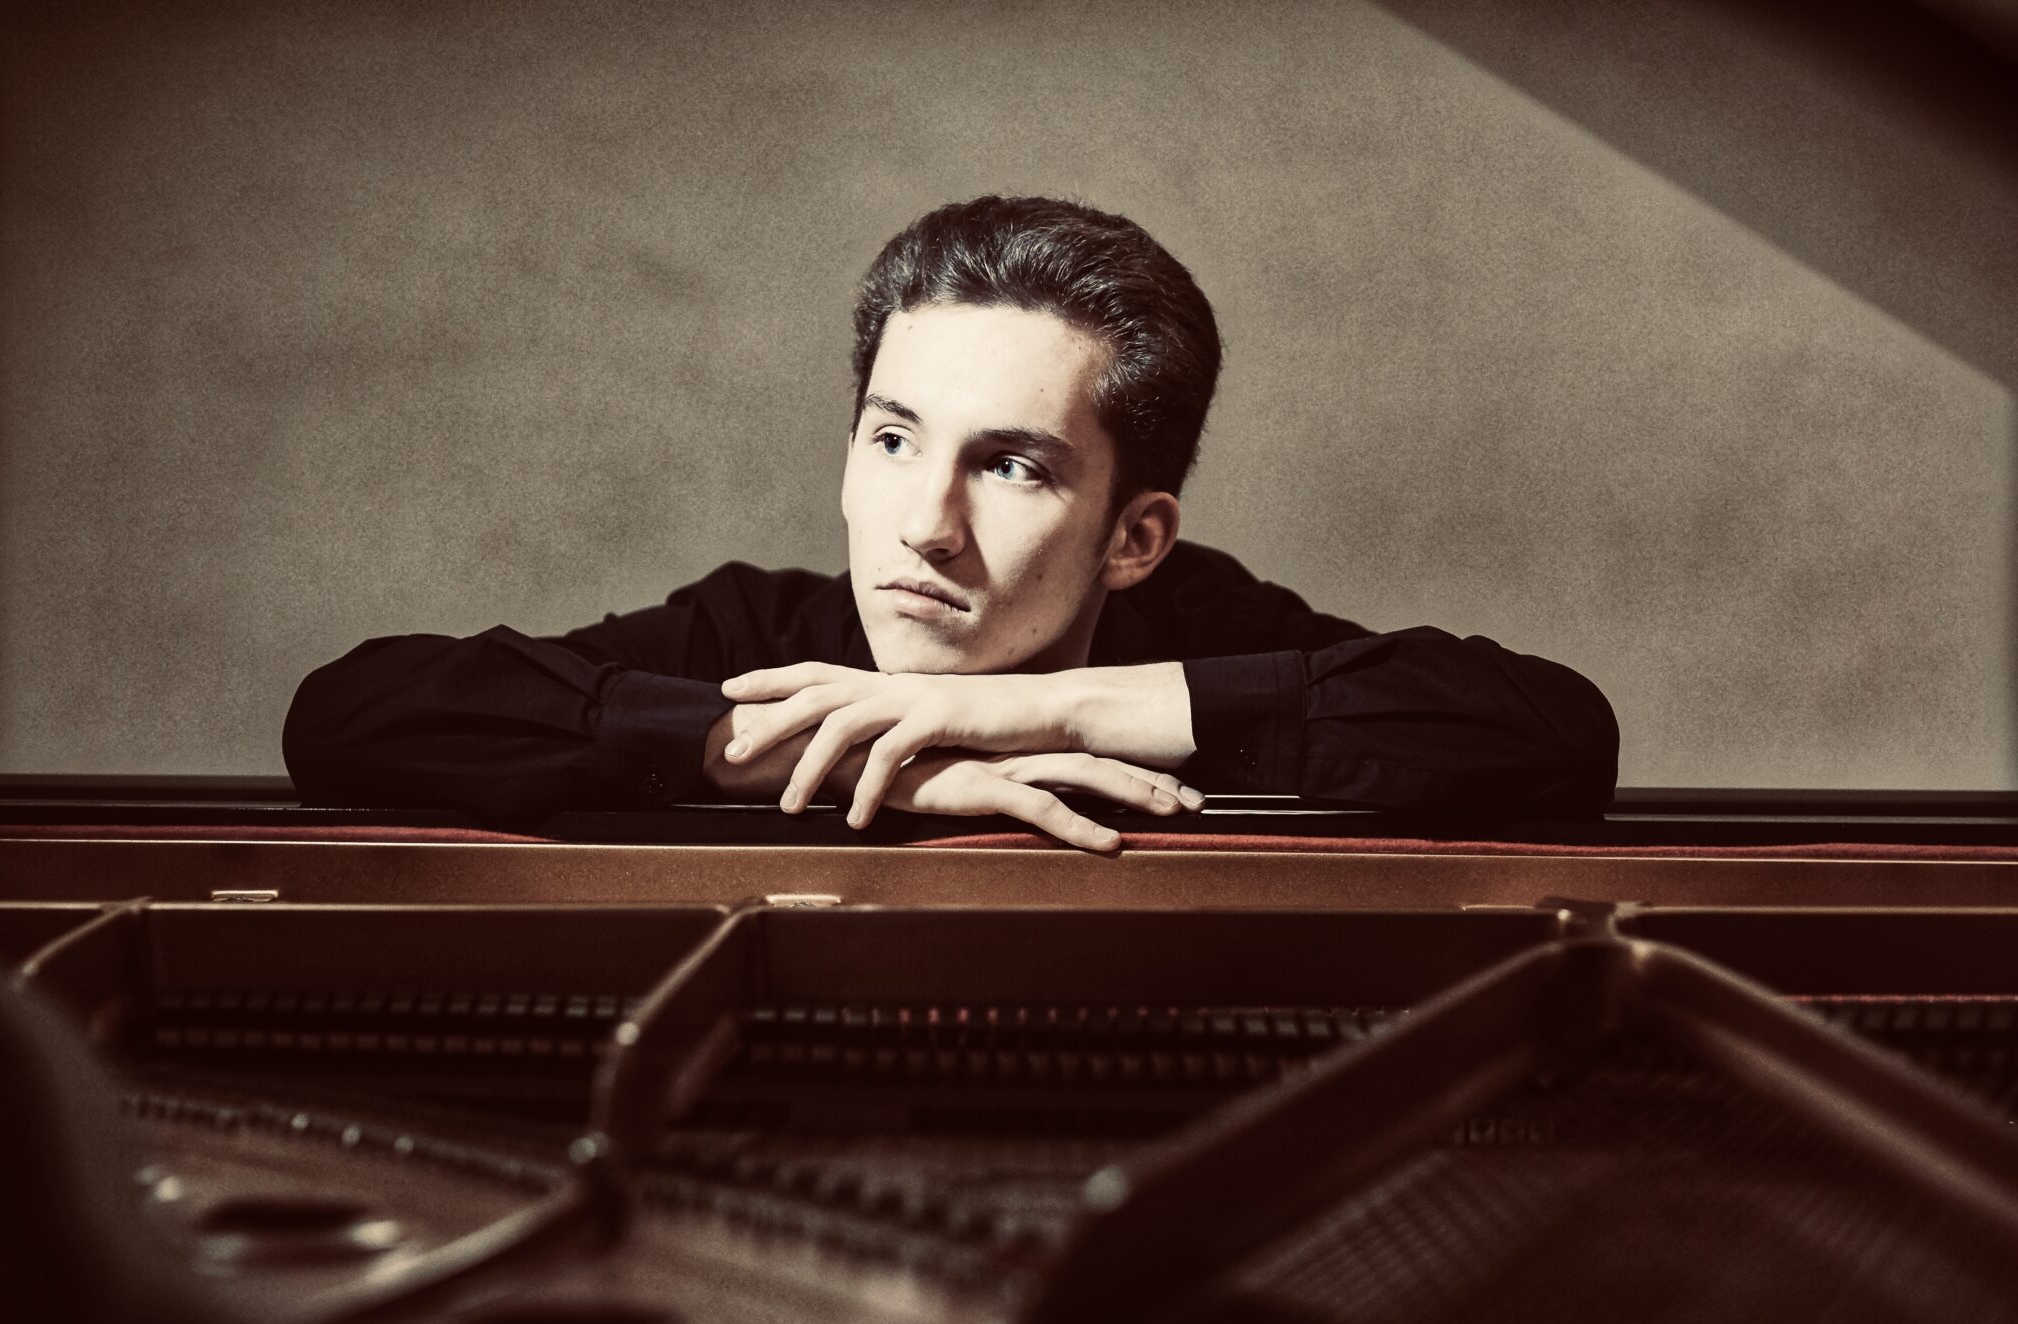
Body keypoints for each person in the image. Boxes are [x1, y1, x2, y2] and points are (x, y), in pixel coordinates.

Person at [284, 195, 1618, 852]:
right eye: (893, 439)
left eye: (1012, 467)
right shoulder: (755, 634)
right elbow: (348, 716)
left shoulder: (1208, 626)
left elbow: (1557, 738)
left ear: (1136, 539)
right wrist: (804, 754)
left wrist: (1036, 713)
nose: (923, 525)